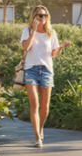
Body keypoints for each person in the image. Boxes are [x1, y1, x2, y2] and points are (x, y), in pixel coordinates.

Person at [19, 8, 61, 148]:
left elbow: (53, 54)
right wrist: (34, 30)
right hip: (31, 70)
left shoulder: (51, 33)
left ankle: (41, 128)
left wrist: (61, 47)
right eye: (40, 15)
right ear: (34, 16)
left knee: (45, 107)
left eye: (45, 15)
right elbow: (26, 47)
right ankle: (38, 137)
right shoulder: (28, 31)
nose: (43, 17)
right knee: (35, 105)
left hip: (47, 71)